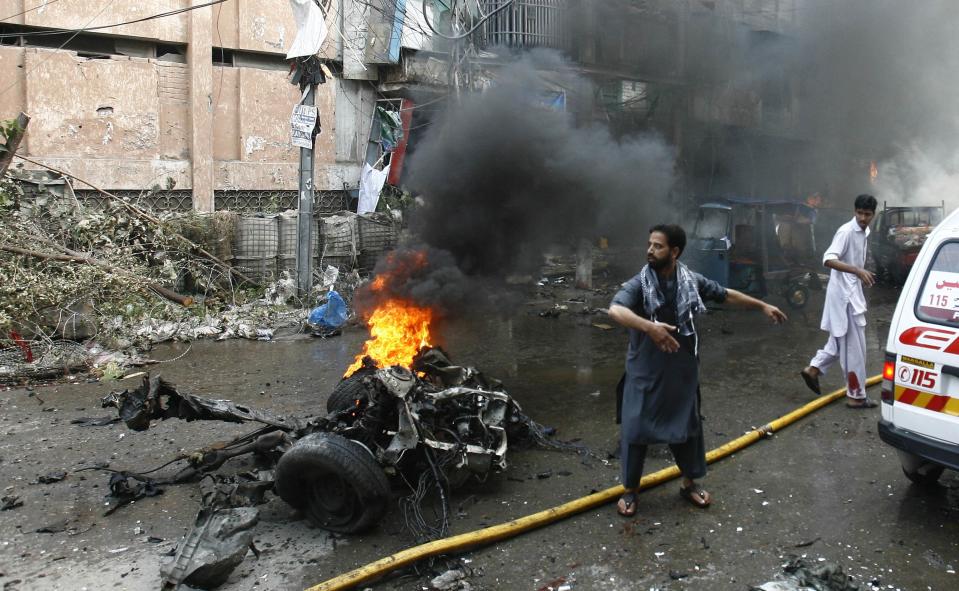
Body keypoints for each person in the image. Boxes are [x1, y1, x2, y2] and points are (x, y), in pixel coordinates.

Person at [609, 224, 787, 517]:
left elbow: (725, 295)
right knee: (635, 428)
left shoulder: (690, 281)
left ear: (675, 252)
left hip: (681, 370)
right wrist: (650, 327)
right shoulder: (639, 284)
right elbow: (616, 311)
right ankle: (630, 491)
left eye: (658, 246)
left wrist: (761, 305)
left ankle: (689, 483)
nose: (650, 251)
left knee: (687, 427)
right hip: (645, 370)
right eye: (650, 244)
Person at [800, 194, 878, 408]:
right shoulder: (846, 231)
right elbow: (828, 258)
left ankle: (813, 370)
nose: (863, 218)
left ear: (873, 214)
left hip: (851, 294)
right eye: (860, 213)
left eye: (867, 214)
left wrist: (860, 274)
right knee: (854, 348)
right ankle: (855, 396)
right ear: (855, 211)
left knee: (838, 341)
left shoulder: (865, 231)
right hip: (844, 299)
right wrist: (857, 270)